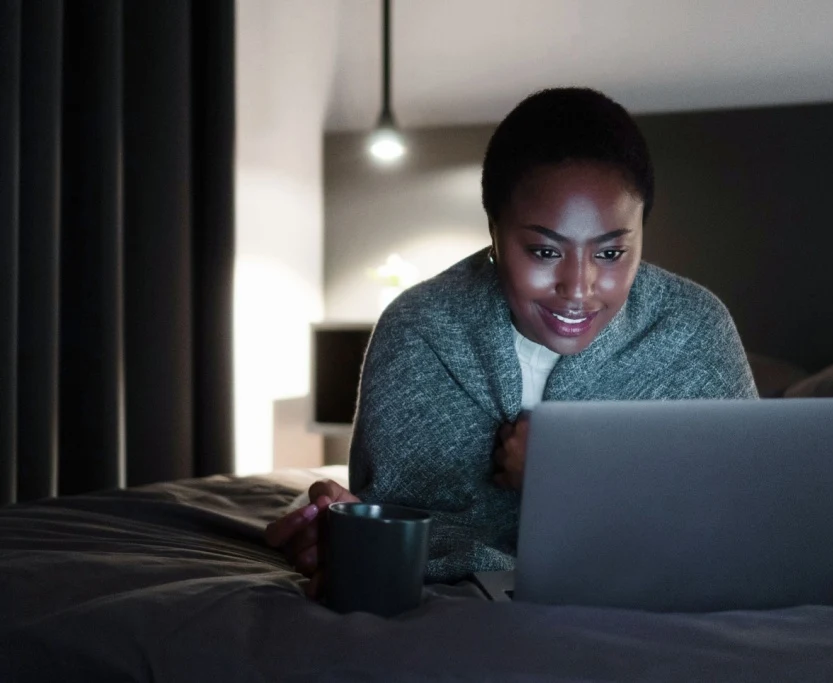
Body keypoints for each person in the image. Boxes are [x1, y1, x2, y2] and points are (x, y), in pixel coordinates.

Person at [265, 87, 757, 597]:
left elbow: (745, 524)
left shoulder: (693, 331)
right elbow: (395, 515)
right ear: (494, 234)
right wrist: (349, 529)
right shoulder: (420, 329)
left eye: (611, 254)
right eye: (545, 251)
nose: (579, 287)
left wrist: (557, 477)